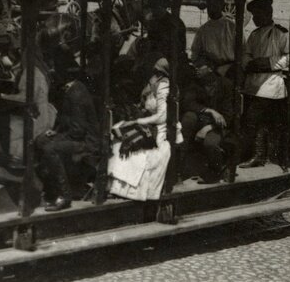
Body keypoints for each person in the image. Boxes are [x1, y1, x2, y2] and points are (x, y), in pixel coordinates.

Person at [107, 58, 182, 201]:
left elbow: (161, 116)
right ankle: (117, 186)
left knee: (139, 151)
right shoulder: (152, 84)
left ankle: (132, 189)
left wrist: (137, 121)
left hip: (161, 128)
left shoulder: (165, 87)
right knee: (118, 137)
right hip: (149, 122)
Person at [33, 60, 101, 211]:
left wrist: (58, 137)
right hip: (77, 136)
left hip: (87, 142)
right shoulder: (72, 89)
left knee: (50, 149)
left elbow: (77, 131)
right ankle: (50, 189)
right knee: (40, 141)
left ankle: (65, 195)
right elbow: (68, 120)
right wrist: (56, 131)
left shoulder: (76, 93)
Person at [238, 0, 290, 169]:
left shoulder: (280, 34)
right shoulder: (254, 35)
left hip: (270, 83)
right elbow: (246, 53)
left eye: (258, 15)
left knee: (255, 119)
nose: (255, 19)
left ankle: (259, 155)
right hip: (253, 82)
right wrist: (249, 63)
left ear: (268, 14)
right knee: (250, 120)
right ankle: (254, 154)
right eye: (254, 15)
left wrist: (269, 63)